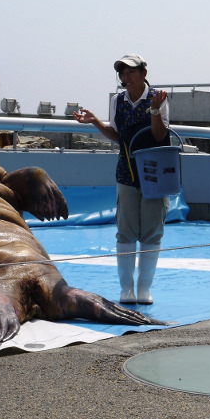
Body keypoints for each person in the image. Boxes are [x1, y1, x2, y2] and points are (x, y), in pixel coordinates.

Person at [73, 54, 170, 305]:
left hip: (154, 174)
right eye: (122, 74)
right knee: (125, 232)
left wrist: (156, 110)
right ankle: (126, 288)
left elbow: (159, 136)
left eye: (131, 72)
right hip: (126, 172)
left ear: (144, 73)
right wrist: (96, 122)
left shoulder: (157, 98)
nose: (126, 78)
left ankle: (144, 288)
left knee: (152, 232)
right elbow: (118, 136)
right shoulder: (118, 101)